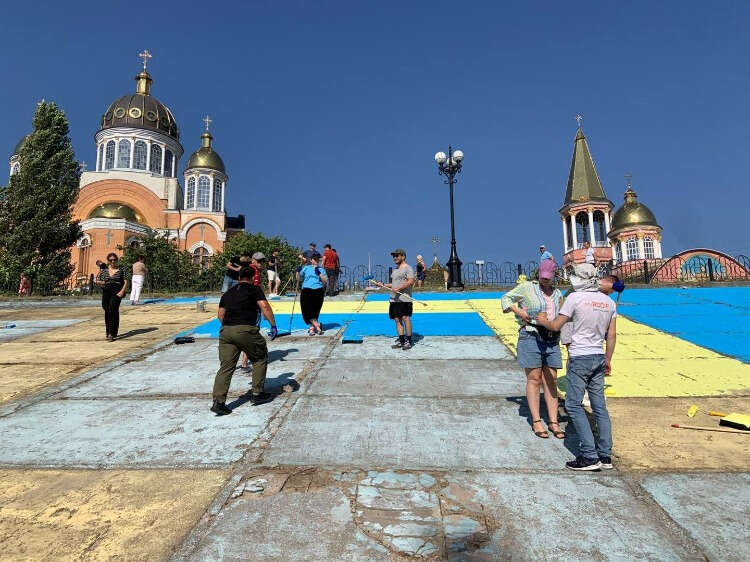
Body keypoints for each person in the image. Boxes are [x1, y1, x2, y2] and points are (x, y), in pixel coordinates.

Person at [535, 265, 624, 471]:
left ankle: (589, 456)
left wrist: (543, 321)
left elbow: (556, 326)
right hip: (598, 355)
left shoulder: (575, 298)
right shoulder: (609, 302)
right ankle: (605, 455)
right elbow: (611, 335)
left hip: (580, 355)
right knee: (599, 406)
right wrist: (608, 358)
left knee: (573, 405)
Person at [501, 259, 565, 439]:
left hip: (552, 337)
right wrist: (519, 312)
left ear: (554, 276)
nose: (545, 279)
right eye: (543, 276)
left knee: (551, 378)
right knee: (534, 377)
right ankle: (536, 420)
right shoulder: (527, 287)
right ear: (539, 274)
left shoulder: (557, 293)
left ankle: (553, 421)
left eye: (549, 277)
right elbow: (506, 298)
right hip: (530, 334)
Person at [211, 266, 278, 415]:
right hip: (245, 329)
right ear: (253, 277)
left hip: (226, 331)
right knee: (260, 357)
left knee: (226, 367)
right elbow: (265, 307)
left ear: (239, 277)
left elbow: (220, 314)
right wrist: (273, 325)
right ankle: (257, 394)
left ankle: (218, 402)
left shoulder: (228, 293)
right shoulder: (254, 289)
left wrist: (230, 327)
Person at [373, 249, 416, 350]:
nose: (395, 258)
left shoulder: (408, 268)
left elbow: (411, 281)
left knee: (405, 318)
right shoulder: (395, 270)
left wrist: (399, 288)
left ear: (403, 256)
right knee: (397, 319)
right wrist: (383, 284)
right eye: (394, 256)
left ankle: (409, 341)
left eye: (397, 256)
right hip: (394, 299)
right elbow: (393, 284)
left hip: (404, 299)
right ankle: (401, 341)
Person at [96, 252, 128, 341]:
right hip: (107, 291)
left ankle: (110, 333)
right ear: (108, 261)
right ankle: (112, 331)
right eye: (111, 260)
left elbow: (126, 281)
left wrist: (122, 291)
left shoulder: (122, 269)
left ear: (117, 260)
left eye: (114, 259)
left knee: (112, 309)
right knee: (107, 309)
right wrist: (99, 282)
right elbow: (102, 281)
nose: (113, 261)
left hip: (117, 291)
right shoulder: (105, 270)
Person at [297, 253, 327, 335]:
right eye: (315, 259)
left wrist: (319, 274)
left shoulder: (321, 269)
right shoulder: (306, 268)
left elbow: (325, 281)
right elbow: (298, 279)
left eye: (318, 259)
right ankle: (317, 326)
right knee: (306, 309)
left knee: (315, 310)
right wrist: (298, 272)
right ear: (311, 260)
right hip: (306, 289)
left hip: (318, 290)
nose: (316, 260)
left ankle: (312, 328)